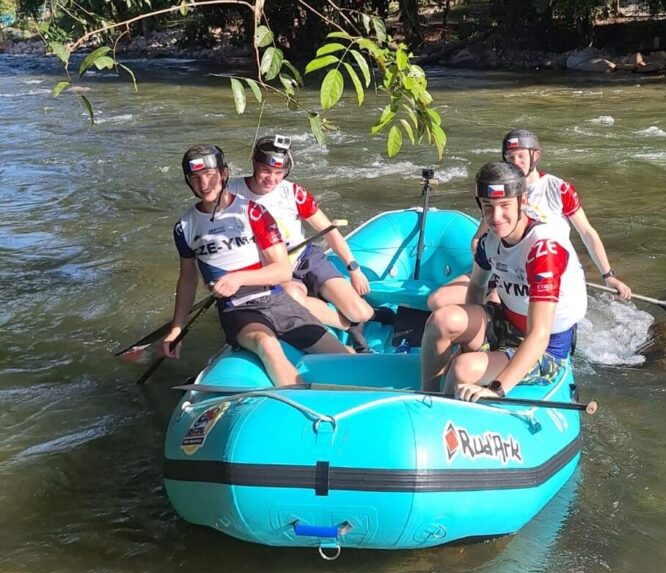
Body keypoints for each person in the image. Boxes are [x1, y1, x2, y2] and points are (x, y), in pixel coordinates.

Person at [161, 144, 349, 385]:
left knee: (343, 356)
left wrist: (238, 278)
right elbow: (187, 279)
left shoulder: (253, 212)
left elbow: (282, 270)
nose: (204, 184)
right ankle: (300, 399)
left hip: (277, 299)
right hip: (236, 309)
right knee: (266, 343)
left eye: (209, 174)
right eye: (195, 178)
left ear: (224, 173)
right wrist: (176, 328)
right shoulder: (184, 227)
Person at [420, 161, 588, 401]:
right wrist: (469, 340)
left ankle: (442, 411)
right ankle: (426, 396)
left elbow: (539, 333)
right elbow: (477, 287)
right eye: (488, 206)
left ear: (523, 202)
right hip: (506, 324)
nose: (496, 217)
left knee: (462, 368)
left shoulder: (543, 249)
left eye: (504, 205)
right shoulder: (489, 241)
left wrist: (496, 389)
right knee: (441, 320)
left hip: (547, 348)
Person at [427, 128, 632, 309]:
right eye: (510, 157)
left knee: (496, 299)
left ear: (536, 155)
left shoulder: (558, 188)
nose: (516, 162)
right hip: (503, 268)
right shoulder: (501, 190)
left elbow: (587, 233)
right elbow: (478, 238)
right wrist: (488, 263)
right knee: (437, 301)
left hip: (542, 270)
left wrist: (608, 276)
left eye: (521, 156)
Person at [227, 134, 393, 353]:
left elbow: (329, 230)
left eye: (279, 173)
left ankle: (363, 316)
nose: (272, 179)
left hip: (305, 258)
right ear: (254, 163)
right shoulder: (231, 194)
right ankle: (349, 326)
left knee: (361, 312)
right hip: (275, 269)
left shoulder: (293, 193)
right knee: (292, 298)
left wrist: (353, 268)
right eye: (266, 171)